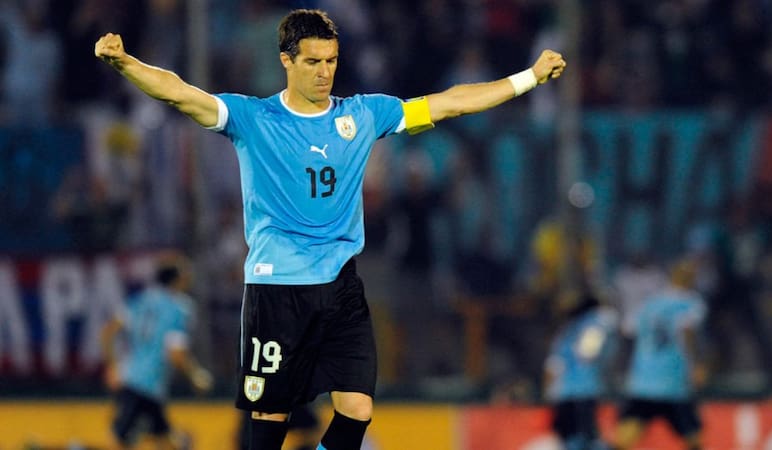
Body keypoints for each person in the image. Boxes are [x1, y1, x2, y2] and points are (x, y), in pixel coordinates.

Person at [94, 8, 566, 450]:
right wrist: (124, 63)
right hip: (278, 287)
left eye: (332, 61)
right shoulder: (254, 119)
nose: (325, 72)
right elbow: (179, 92)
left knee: (357, 410)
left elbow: (449, 104)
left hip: (341, 285)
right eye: (313, 61)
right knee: (270, 421)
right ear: (286, 61)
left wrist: (527, 78)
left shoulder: (361, 115)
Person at [101, 253, 213, 450]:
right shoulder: (179, 308)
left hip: (132, 378)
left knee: (157, 438)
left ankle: (179, 443)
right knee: (120, 441)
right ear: (177, 279)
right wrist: (195, 375)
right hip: (146, 384)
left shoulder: (139, 300)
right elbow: (176, 353)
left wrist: (113, 366)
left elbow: (108, 333)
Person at [612, 259, 707, 450]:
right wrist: (696, 364)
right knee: (693, 439)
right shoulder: (692, 303)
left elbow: (627, 329)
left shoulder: (650, 304)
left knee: (625, 437)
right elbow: (687, 332)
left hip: (643, 382)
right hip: (673, 382)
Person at [543, 291, 618, 450]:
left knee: (569, 438)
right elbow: (587, 353)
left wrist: (549, 393)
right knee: (587, 438)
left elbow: (553, 365)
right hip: (584, 389)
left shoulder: (566, 330)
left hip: (562, 392)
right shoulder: (597, 321)